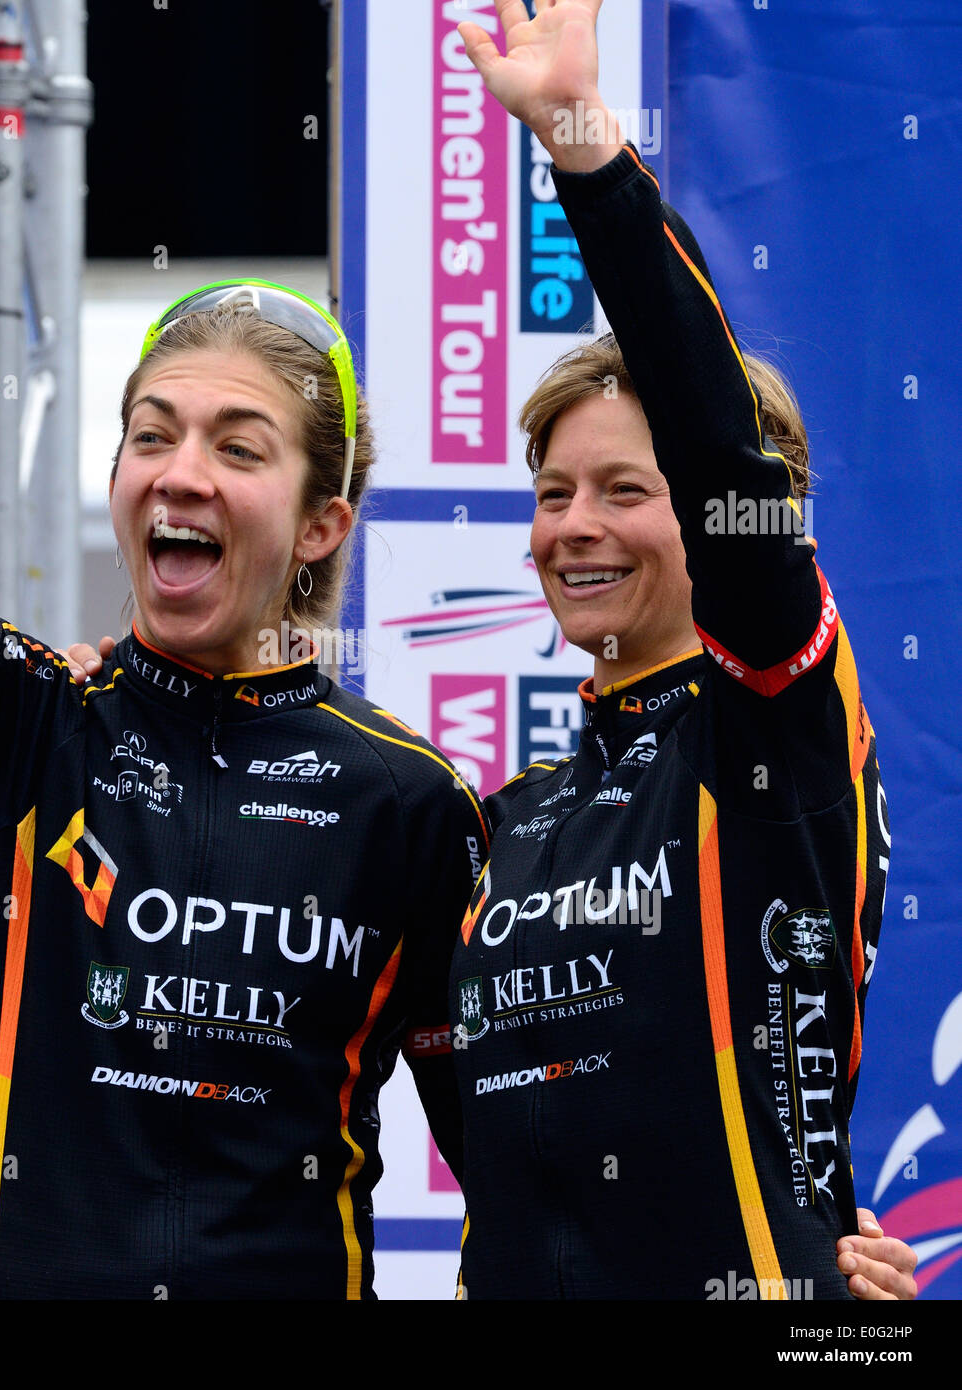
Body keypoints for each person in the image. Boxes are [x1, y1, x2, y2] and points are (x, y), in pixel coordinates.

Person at [0, 4, 488, 1298]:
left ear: (319, 521)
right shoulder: (23, 722)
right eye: (151, 433)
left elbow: (523, 1167)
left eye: (239, 447)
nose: (181, 474)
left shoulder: (410, 803)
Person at [445, 0, 902, 1298]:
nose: (576, 526)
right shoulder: (505, 823)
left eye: (624, 491)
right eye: (551, 491)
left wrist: (583, 149)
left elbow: (717, 446)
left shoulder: (774, 711)